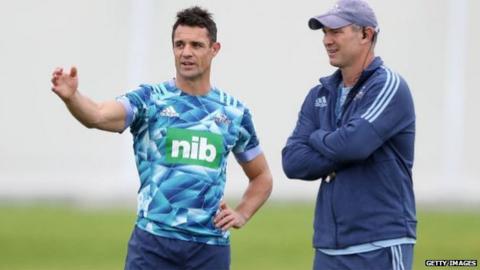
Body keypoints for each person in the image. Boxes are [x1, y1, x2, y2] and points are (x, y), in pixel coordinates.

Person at [51, 6, 272, 270]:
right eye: (179, 44)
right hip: (153, 244)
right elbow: (97, 115)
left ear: (214, 49)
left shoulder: (233, 112)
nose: (186, 52)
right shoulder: (150, 100)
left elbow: (261, 176)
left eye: (196, 45)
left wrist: (242, 213)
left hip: (209, 249)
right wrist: (72, 97)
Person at [282, 0, 416, 269]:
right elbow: (293, 161)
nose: (327, 40)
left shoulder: (389, 85)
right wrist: (342, 144)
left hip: (381, 245)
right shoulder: (319, 94)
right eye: (324, 33)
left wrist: (318, 137)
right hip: (329, 248)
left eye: (336, 31)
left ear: (366, 34)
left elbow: (353, 146)